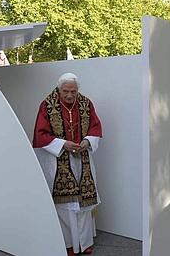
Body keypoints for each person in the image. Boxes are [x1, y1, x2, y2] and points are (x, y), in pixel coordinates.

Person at [33, 73, 103, 256]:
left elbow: (96, 127)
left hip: (83, 159)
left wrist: (87, 142)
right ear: (59, 89)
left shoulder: (86, 103)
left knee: (84, 204)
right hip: (60, 161)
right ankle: (69, 244)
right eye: (66, 91)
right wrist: (63, 144)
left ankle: (85, 242)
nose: (70, 95)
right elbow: (40, 135)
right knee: (66, 207)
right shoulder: (47, 105)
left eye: (73, 91)